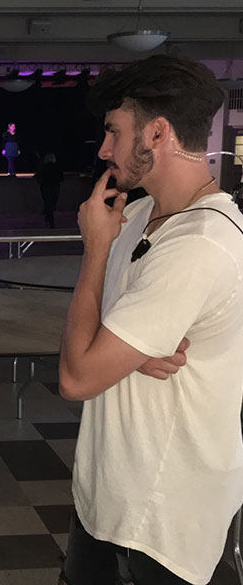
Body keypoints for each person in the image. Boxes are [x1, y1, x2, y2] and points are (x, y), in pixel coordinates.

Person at [58, 55, 243, 585]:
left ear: (157, 133)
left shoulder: (201, 243)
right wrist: (132, 352)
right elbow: (91, 344)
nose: (103, 149)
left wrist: (95, 247)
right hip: (106, 493)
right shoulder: (136, 215)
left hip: (162, 518)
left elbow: (76, 376)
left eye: (114, 132)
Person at [35, 152, 64, 228]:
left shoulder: (44, 167)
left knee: (48, 203)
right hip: (54, 187)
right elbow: (61, 178)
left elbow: (39, 178)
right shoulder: (56, 167)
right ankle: (50, 219)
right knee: (51, 203)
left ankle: (49, 218)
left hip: (47, 187)